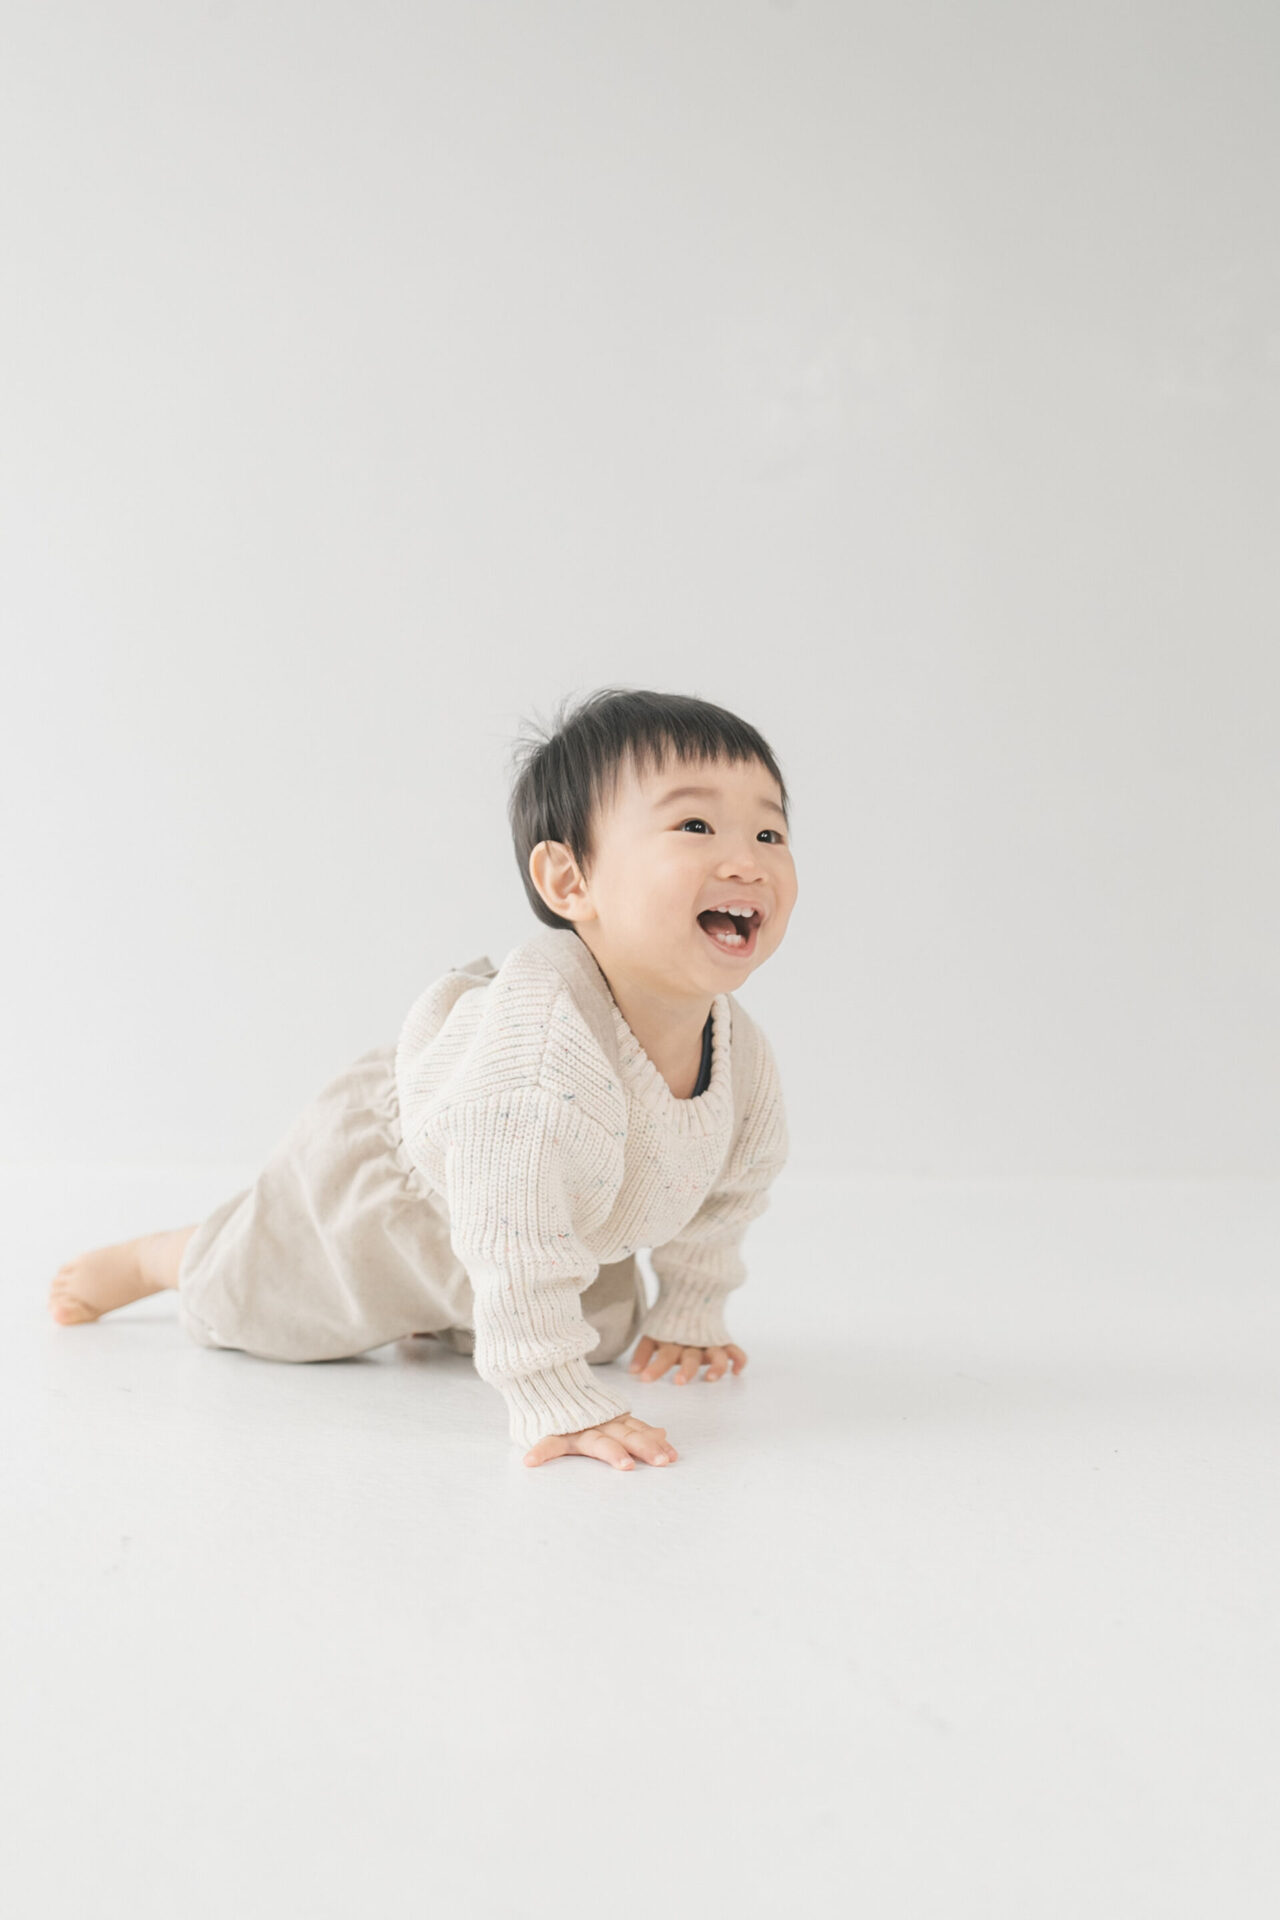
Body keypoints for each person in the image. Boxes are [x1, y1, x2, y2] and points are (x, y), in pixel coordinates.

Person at [48, 686, 798, 1473]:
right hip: (398, 1202)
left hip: (550, 1221)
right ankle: (163, 1258)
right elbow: (510, 1236)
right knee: (257, 1307)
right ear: (569, 880)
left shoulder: (741, 1059)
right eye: (695, 826)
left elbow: (729, 1191)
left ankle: (451, 1314)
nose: (746, 862)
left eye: (769, 832)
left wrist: (690, 1307)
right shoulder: (536, 1056)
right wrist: (556, 1397)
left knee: (604, 1331)